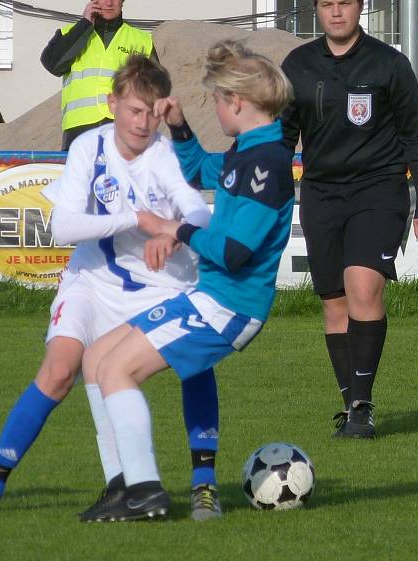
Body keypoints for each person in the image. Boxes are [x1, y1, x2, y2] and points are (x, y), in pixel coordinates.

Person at [0, 55, 224, 522]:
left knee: (192, 360)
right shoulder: (90, 146)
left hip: (161, 285)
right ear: (112, 104)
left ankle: (203, 483)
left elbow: (198, 210)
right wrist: (139, 220)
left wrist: (173, 231)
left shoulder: (164, 154)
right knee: (61, 370)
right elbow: (63, 227)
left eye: (151, 112)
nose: (142, 123)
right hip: (93, 280)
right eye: (133, 111)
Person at [80, 40, 295, 521]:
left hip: (228, 308)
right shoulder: (247, 153)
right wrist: (178, 126)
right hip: (209, 298)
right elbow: (197, 167)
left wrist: (173, 228)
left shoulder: (269, 166)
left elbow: (235, 254)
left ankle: (145, 491)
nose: (216, 109)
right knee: (96, 357)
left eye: (217, 101)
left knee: (115, 371)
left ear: (236, 102)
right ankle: (125, 486)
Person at [280, 0, 418, 438]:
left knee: (362, 286)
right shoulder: (298, 65)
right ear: (317, 9)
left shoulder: (390, 65)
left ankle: (364, 405)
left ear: (360, 7)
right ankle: (350, 405)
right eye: (327, 4)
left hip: (379, 190)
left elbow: (415, 136)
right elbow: (283, 137)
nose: (336, 12)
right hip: (321, 194)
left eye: (344, 3)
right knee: (334, 304)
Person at [40, 0, 158, 150]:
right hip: (79, 133)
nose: (109, 3)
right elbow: (52, 64)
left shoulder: (141, 40)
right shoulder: (70, 34)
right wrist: (84, 25)